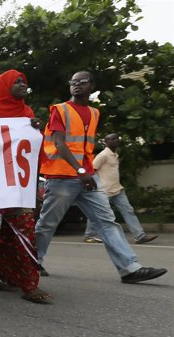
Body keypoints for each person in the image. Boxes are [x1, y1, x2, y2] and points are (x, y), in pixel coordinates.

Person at [35, 71, 167, 284]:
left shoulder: (94, 113)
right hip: (63, 176)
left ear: (92, 86)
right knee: (48, 223)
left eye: (82, 82)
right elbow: (60, 144)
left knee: (107, 221)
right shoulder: (60, 110)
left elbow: (84, 146)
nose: (76, 85)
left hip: (87, 176)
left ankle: (130, 268)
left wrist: (85, 172)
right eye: (73, 82)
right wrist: (80, 171)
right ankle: (33, 262)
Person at [0, 70, 51, 303]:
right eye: (16, 81)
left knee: (8, 233)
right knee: (23, 233)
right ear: (3, 86)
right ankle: (29, 285)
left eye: (24, 82)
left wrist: (36, 128)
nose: (22, 85)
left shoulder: (26, 113)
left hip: (21, 182)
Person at [83, 133, 157, 244]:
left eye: (117, 138)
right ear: (106, 142)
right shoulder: (103, 155)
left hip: (117, 190)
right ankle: (89, 235)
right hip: (104, 190)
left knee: (128, 211)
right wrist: (94, 185)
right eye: (112, 139)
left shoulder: (114, 155)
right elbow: (91, 169)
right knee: (97, 212)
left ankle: (140, 236)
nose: (116, 140)